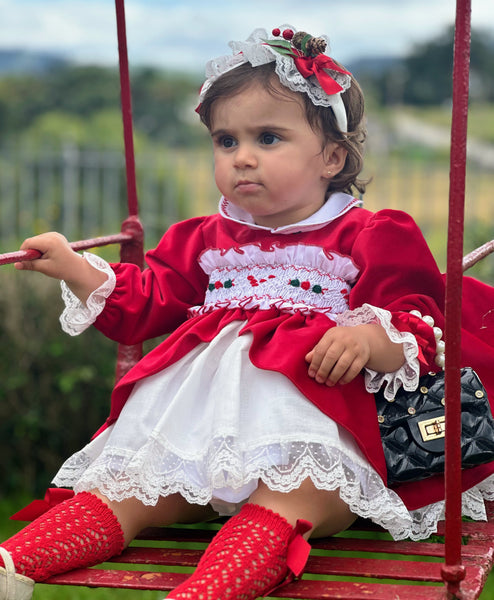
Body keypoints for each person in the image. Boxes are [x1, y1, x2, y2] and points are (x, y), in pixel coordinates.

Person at [2, 24, 494, 600]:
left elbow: (417, 321)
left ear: (332, 157)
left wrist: (367, 339)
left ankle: (207, 592)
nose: (243, 158)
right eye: (226, 141)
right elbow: (147, 301)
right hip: (193, 440)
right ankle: (13, 563)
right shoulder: (204, 239)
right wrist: (76, 268)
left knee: (286, 502)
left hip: (318, 437)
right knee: (124, 492)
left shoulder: (370, 235)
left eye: (268, 138)